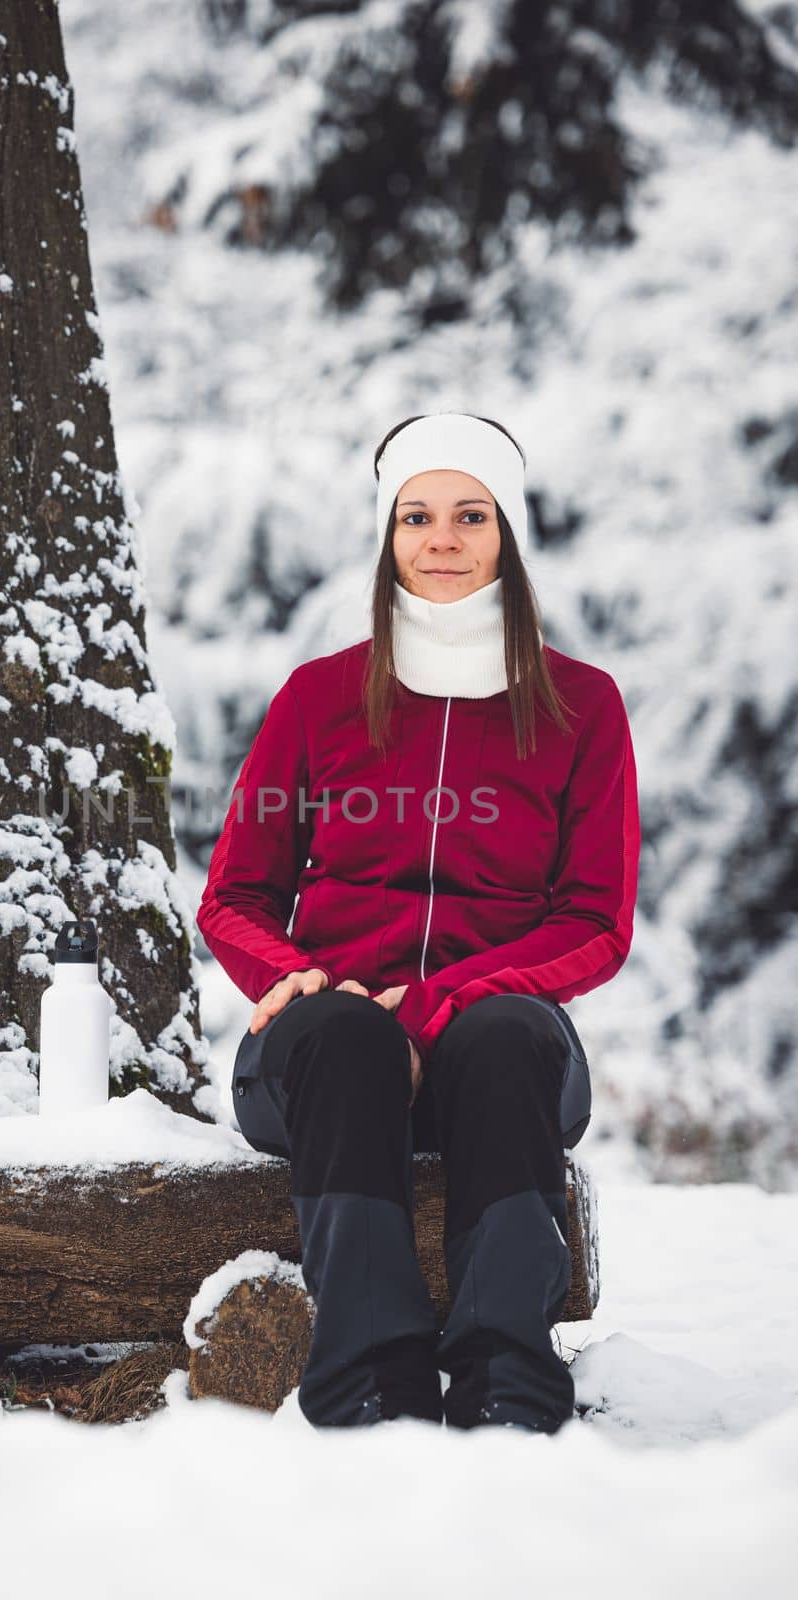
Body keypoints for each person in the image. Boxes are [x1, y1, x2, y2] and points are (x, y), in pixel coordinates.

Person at [196, 410, 640, 1434]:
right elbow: (234, 896)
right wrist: (299, 979)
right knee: (348, 1034)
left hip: (498, 1060)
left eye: (469, 515)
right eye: (416, 516)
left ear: (507, 536)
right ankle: (366, 1370)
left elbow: (595, 918)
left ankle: (507, 1373)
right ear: (388, 536)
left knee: (499, 1033)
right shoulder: (317, 699)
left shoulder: (580, 705)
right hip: (320, 1062)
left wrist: (437, 1007)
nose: (441, 540)